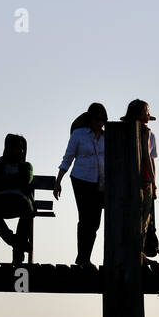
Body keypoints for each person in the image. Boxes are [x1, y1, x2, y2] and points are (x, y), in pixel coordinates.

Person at [55, 102, 106, 268]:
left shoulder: (107, 137)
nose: (100, 122)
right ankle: (83, 258)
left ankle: (85, 256)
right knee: (85, 218)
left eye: (102, 119)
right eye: (97, 118)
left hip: (100, 182)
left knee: (95, 221)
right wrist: (58, 181)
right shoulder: (78, 134)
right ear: (90, 119)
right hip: (81, 179)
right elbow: (68, 157)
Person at [120, 99, 159, 267]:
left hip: (125, 181)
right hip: (143, 180)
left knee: (129, 220)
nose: (148, 114)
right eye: (146, 111)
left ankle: (132, 253)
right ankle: (138, 254)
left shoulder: (121, 132)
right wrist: (153, 180)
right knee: (142, 220)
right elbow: (149, 158)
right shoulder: (147, 133)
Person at [0, 133, 35, 265]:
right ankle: (14, 241)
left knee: (27, 210)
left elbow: (25, 179)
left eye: (22, 148)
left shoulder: (26, 166)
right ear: (9, 148)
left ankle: (17, 255)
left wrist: (4, 180)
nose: (21, 150)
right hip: (1, 202)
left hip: (20, 202)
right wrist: (13, 180)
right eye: (18, 147)